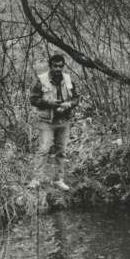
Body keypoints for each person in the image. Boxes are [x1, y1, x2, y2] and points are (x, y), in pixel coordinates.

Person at [28, 54, 80, 191]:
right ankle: (36, 179)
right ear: (50, 66)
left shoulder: (68, 80)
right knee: (43, 149)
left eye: (60, 66)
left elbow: (76, 98)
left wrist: (70, 104)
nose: (58, 68)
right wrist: (47, 102)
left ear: (63, 66)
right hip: (47, 121)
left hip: (64, 121)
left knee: (61, 151)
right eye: (55, 66)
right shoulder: (41, 80)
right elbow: (33, 99)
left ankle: (58, 180)